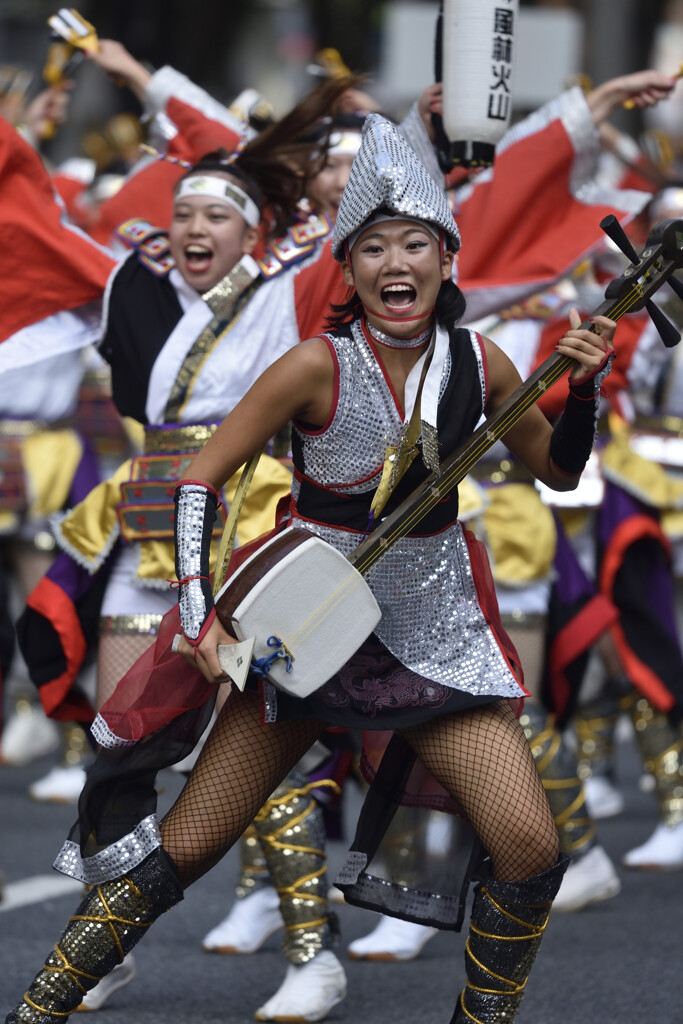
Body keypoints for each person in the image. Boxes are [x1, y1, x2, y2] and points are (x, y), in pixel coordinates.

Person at [6, 112, 617, 1024]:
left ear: (447, 259)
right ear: (351, 266)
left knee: (529, 846)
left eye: (415, 243)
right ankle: (42, 1005)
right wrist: (203, 612)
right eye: (372, 247)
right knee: (188, 845)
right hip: (304, 627)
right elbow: (199, 479)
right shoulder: (312, 364)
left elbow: (561, 474)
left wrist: (585, 390)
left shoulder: (480, 362)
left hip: (430, 630)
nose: (394, 263)